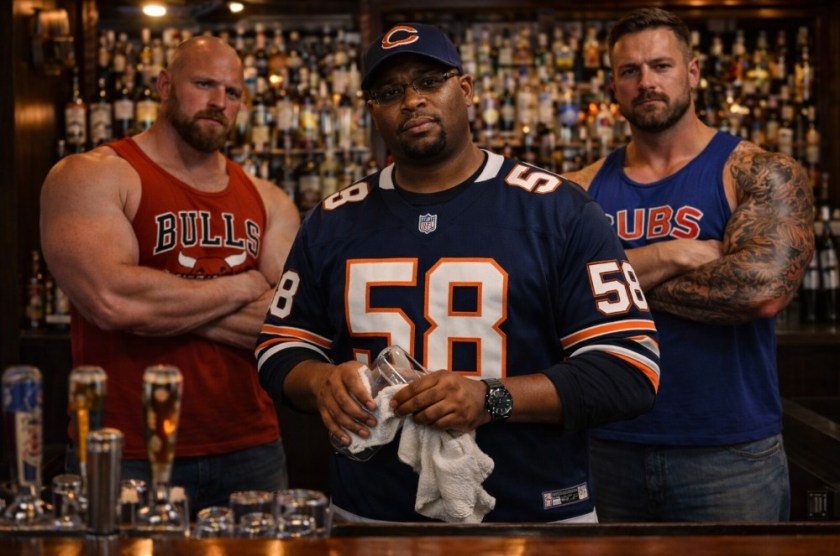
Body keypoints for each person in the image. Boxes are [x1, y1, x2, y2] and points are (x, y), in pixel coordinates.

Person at [256, 22, 660, 523]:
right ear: (372, 111)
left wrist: (490, 397)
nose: (411, 101)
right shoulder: (333, 220)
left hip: (533, 514)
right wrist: (321, 381)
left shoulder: (558, 210)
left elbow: (629, 370)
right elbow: (279, 349)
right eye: (390, 91)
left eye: (429, 81)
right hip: (370, 515)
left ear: (465, 89)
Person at [563, 8, 814, 522]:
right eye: (630, 71)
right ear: (613, 83)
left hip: (729, 454)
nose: (646, 82)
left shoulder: (757, 171)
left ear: (693, 72)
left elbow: (759, 290)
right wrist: (672, 254)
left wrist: (604, 286)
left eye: (661, 65)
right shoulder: (577, 189)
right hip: (603, 446)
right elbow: (550, 298)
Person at [40, 36, 301, 514]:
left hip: (250, 446)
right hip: (124, 449)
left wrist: (159, 300)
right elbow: (112, 301)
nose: (219, 102)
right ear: (165, 85)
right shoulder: (93, 175)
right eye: (203, 84)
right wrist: (244, 286)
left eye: (233, 92)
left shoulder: (269, 199)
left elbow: (287, 325)